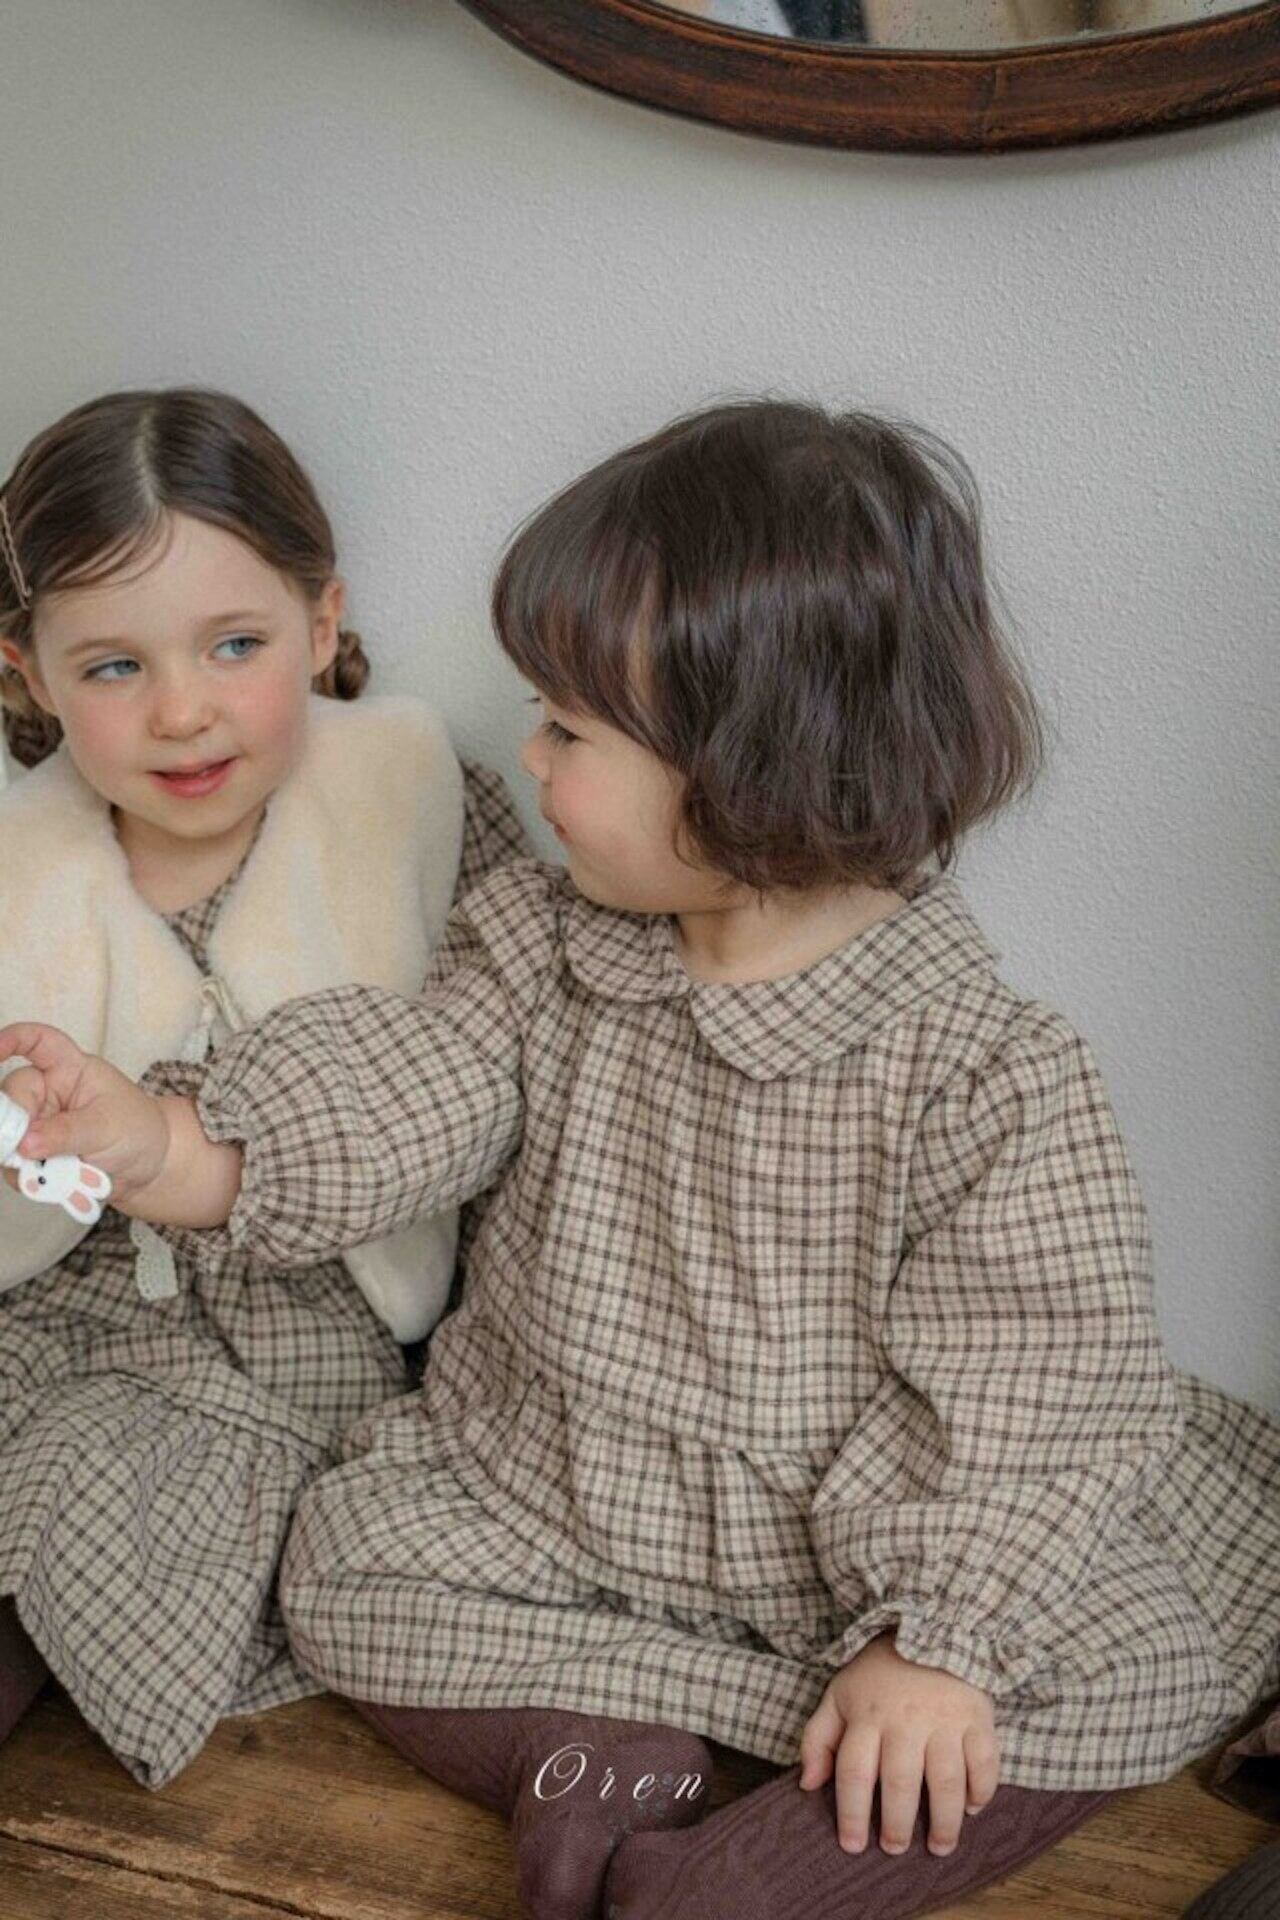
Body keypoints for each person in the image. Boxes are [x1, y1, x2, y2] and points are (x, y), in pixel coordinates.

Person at [3, 400, 1276, 1920]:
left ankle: (747, 1872)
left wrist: (930, 1646)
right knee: (343, 1566)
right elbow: (400, 1096)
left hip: (847, 1540)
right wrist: (167, 1139)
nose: (530, 755)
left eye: (569, 730)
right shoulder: (538, 945)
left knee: (1110, 1666)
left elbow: (1039, 1382)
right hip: (551, 1492)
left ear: (745, 764)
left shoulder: (984, 1070)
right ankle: (593, 1755)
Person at [0, 387, 531, 1788]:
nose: (182, 712)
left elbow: (505, 1069)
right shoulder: (17, 867)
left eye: (235, 645)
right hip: (58, 1304)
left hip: (309, 1309)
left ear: (321, 619)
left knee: (148, 1492)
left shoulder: (416, 801)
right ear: (30, 673)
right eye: (113, 666)